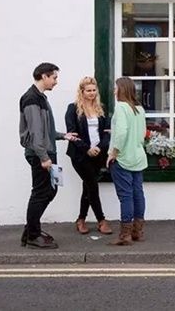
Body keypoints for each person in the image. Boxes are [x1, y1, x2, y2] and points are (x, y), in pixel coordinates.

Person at [19, 62, 79, 249]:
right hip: (40, 154)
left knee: (49, 190)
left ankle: (31, 230)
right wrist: (44, 158)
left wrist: (63, 136)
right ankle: (32, 235)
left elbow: (45, 130)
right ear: (44, 76)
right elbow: (36, 133)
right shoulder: (32, 99)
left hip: (45, 151)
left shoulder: (41, 98)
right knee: (40, 193)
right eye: (54, 77)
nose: (56, 81)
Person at [64, 77, 113, 236]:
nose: (91, 93)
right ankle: (101, 220)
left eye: (94, 90)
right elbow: (72, 134)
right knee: (92, 185)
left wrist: (99, 148)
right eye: (88, 90)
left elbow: (106, 133)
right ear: (82, 92)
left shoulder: (101, 108)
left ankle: (81, 219)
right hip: (80, 155)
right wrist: (87, 149)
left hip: (98, 155)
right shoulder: (73, 109)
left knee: (88, 186)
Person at [107, 77, 148, 245]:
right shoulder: (139, 109)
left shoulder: (121, 107)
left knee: (126, 196)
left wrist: (113, 153)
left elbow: (123, 132)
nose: (114, 90)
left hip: (123, 158)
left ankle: (125, 235)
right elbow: (142, 132)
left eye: (116, 88)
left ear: (122, 89)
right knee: (138, 194)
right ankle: (137, 232)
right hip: (138, 157)